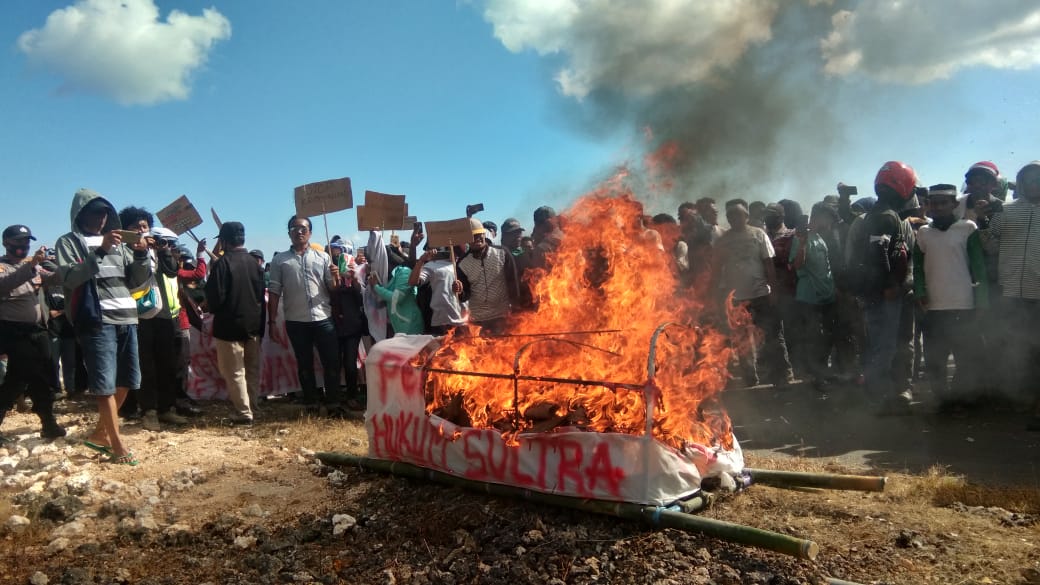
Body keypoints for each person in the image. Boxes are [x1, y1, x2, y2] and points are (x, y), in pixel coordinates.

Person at [56, 189, 152, 465]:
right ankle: (117, 444)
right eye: (96, 212)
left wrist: (141, 256)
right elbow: (71, 277)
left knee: (128, 381)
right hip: (96, 321)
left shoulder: (119, 243)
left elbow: (135, 282)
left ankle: (100, 433)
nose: (101, 217)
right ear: (81, 214)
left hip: (127, 318)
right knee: (104, 386)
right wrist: (100, 250)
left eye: (105, 212)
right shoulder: (69, 242)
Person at [847, 161, 918, 415]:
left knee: (883, 344)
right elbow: (910, 260)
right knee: (895, 343)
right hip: (892, 295)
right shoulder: (898, 221)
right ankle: (893, 392)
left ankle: (891, 391)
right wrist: (899, 285)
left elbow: (851, 262)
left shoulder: (864, 223)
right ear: (905, 189)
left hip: (878, 295)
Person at [913, 184, 988, 413]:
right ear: (928, 206)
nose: (938, 207)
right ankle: (942, 400)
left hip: (963, 305)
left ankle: (960, 397)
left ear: (954, 205)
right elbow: (918, 267)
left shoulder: (967, 228)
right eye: (933, 203)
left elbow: (978, 267)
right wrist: (920, 292)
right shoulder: (923, 233)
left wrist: (982, 301)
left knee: (965, 356)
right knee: (935, 358)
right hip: (934, 307)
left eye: (944, 202)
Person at [981, 161, 1040, 430]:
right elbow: (990, 248)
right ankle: (1017, 399)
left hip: (1038, 294)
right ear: (1022, 182)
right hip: (1010, 292)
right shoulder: (1005, 212)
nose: (1035, 183)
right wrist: (984, 220)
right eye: (1030, 179)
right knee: (1014, 348)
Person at [711, 199, 792, 387]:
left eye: (738, 214)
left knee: (771, 335)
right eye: (730, 215)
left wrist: (773, 290)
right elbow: (717, 269)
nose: (734, 218)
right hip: (737, 299)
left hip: (761, 294)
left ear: (746, 216)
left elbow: (768, 264)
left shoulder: (758, 234)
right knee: (741, 339)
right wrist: (716, 294)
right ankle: (750, 377)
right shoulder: (723, 240)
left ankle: (782, 375)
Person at [267, 215, 342, 415]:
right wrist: (272, 321)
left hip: (323, 318)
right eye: (294, 228)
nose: (299, 231)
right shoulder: (279, 260)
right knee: (304, 364)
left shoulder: (324, 257)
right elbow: (274, 292)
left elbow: (333, 288)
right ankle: (311, 403)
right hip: (296, 321)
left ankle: (333, 403)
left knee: (331, 363)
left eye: (303, 228)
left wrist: (336, 277)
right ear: (289, 232)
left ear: (310, 232)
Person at [0, 225, 66, 441]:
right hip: (14, 332)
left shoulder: (34, 268)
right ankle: (48, 423)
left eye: (26, 242)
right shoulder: (2, 267)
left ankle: (48, 423)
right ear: (6, 244)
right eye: (18, 242)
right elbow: (6, 284)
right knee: (19, 378)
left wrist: (64, 264)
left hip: (38, 331)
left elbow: (55, 278)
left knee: (43, 376)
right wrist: (33, 264)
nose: (23, 247)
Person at [125, 215, 189, 431]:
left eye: (145, 226)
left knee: (167, 363)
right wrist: (141, 252)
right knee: (146, 366)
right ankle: (149, 411)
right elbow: (137, 277)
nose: (142, 230)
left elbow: (172, 271)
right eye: (137, 226)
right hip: (139, 317)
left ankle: (166, 408)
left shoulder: (157, 249)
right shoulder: (124, 251)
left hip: (164, 316)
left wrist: (164, 251)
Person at [205, 222, 266, 425]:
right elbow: (260, 298)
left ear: (223, 241)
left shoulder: (221, 264)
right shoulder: (254, 264)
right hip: (254, 327)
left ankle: (243, 412)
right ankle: (253, 406)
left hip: (229, 328)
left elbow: (215, 300)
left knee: (235, 372)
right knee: (252, 371)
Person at [789, 204, 838, 391]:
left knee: (825, 337)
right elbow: (797, 265)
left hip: (826, 295)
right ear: (818, 218)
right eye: (827, 218)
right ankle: (817, 377)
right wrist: (801, 243)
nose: (829, 222)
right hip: (809, 296)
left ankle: (822, 373)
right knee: (814, 338)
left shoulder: (820, 238)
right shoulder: (801, 238)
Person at [458, 218, 520, 335]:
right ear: (467, 240)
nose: (476, 239)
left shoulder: (503, 254)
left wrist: (516, 314)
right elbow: (464, 297)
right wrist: (459, 291)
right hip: (478, 321)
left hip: (502, 317)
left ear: (483, 234)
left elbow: (513, 285)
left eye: (479, 234)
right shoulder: (462, 263)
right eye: (472, 236)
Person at [408, 244, 465, 335]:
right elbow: (413, 282)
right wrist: (422, 260)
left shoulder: (464, 263)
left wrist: (461, 289)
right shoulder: (432, 265)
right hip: (442, 321)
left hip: (464, 319)